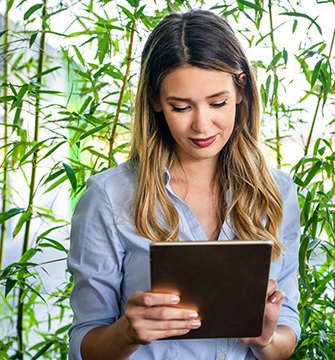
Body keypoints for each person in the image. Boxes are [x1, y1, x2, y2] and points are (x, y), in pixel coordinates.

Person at [67, 9, 301, 360]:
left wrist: (264, 338)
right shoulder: (109, 198)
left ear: (241, 91)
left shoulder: (277, 193)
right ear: (155, 101)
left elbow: (287, 334)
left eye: (218, 103)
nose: (202, 126)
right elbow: (84, 344)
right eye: (181, 107)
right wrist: (128, 333)